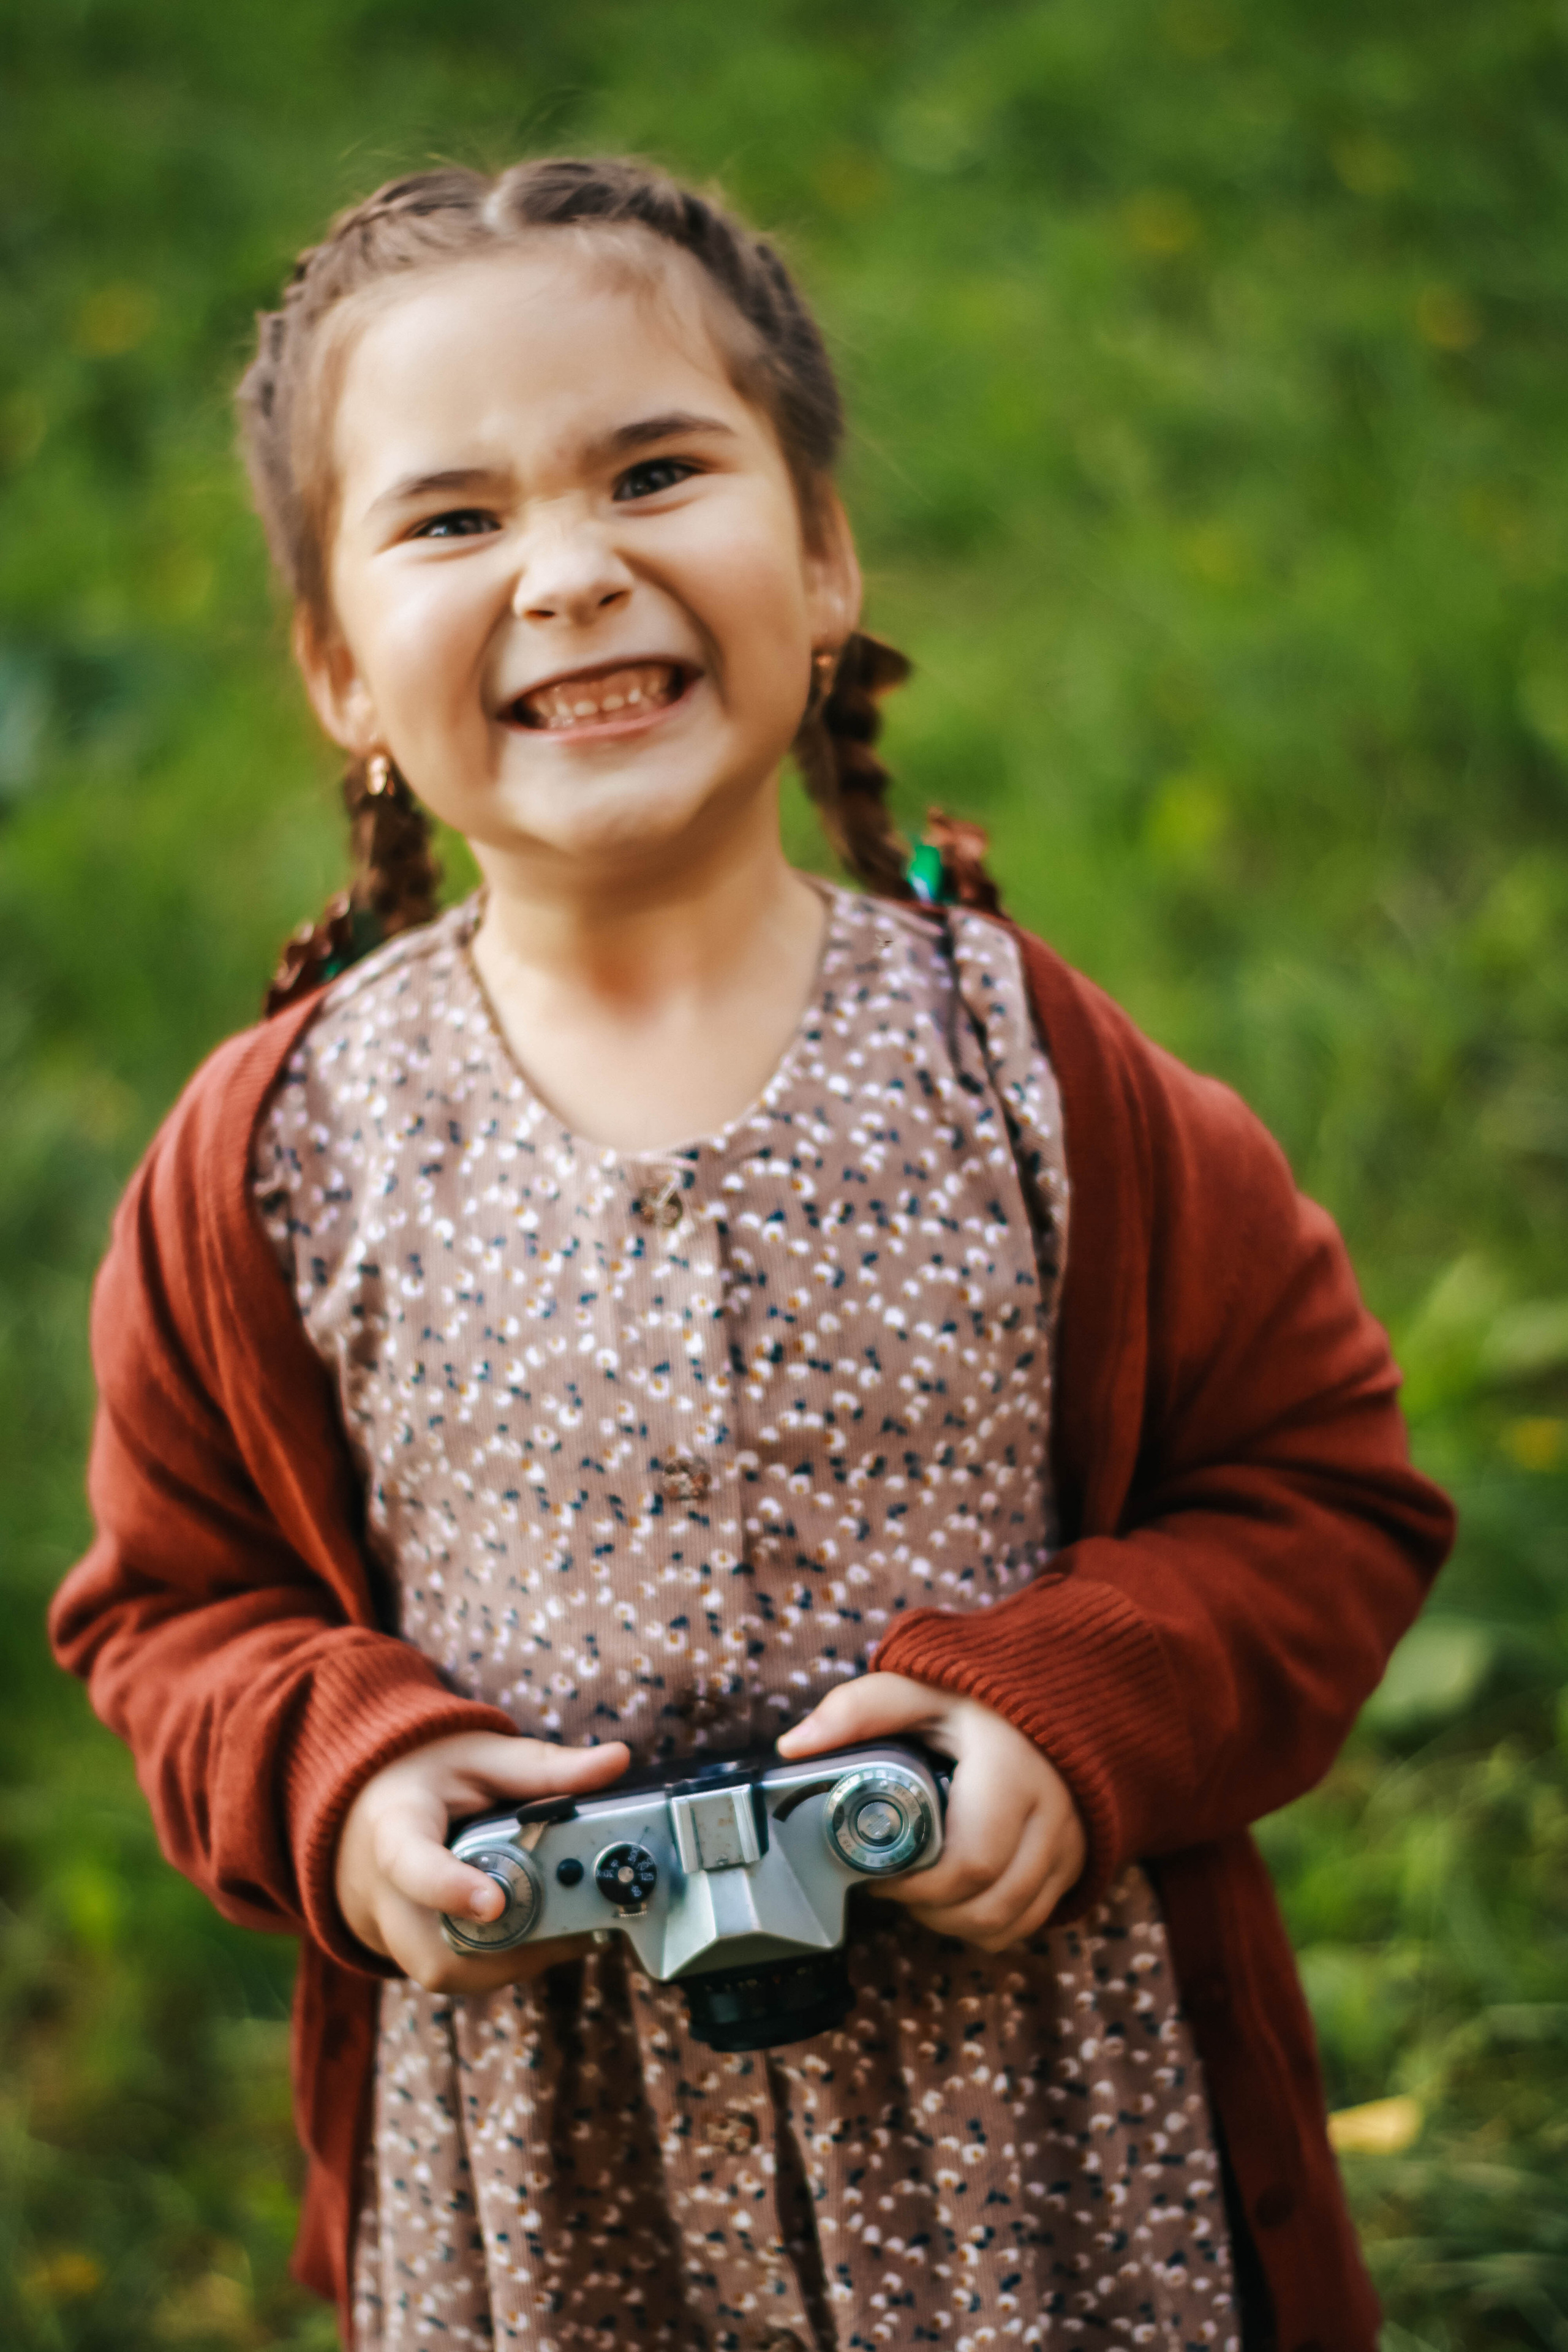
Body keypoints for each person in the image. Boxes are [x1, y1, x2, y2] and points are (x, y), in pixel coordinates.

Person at [49, 157, 1453, 2352]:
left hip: (1044, 2160)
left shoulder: (1041, 1080)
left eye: (654, 470)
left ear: (820, 557)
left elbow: (1324, 1498)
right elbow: (172, 1610)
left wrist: (1087, 1719)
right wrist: (342, 1775)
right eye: (454, 521)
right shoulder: (271, 1165)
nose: (574, 572)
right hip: (550, 2179)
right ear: (337, 667)